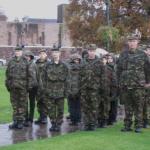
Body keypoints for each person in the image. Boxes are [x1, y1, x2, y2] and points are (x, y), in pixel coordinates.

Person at [117, 34, 150, 133]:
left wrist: (148, 82)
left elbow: (147, 70)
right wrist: (119, 81)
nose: (132, 43)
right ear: (128, 42)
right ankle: (127, 126)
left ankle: (138, 126)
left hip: (139, 85)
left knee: (139, 106)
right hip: (126, 84)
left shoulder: (143, 55)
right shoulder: (123, 54)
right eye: (130, 41)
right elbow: (118, 69)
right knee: (128, 106)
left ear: (137, 42)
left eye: (134, 41)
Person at [42, 46, 68, 132]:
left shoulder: (64, 66)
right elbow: (43, 78)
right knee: (51, 110)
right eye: (53, 53)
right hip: (50, 92)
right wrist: (45, 90)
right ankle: (53, 124)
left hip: (61, 92)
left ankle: (59, 124)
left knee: (60, 110)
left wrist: (66, 91)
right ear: (51, 54)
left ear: (59, 54)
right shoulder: (47, 65)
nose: (55, 54)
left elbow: (68, 79)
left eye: (56, 52)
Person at [80, 44, 105, 131]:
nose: (91, 52)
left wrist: (102, 88)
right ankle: (86, 124)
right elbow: (79, 75)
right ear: (87, 51)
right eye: (90, 51)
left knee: (94, 106)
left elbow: (103, 76)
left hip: (95, 88)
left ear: (95, 51)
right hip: (84, 88)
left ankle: (93, 123)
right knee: (85, 107)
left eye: (93, 51)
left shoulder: (100, 62)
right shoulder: (82, 61)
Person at [5, 46, 29, 129]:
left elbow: (30, 75)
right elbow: (7, 74)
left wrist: (28, 87)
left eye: (19, 51)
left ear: (21, 52)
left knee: (22, 105)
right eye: (16, 51)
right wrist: (8, 85)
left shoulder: (26, 61)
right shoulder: (11, 61)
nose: (17, 52)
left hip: (23, 88)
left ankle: (20, 122)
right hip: (13, 87)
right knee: (14, 105)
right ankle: (15, 121)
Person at [23, 50, 38, 126]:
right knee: (25, 103)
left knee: (32, 103)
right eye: (26, 56)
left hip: (33, 87)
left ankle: (30, 119)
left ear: (31, 57)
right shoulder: (22, 65)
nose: (27, 58)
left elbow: (37, 76)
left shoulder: (34, 65)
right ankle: (25, 118)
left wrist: (38, 86)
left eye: (29, 56)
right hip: (24, 86)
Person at [34, 49, 49, 124]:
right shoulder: (36, 64)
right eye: (40, 53)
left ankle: (44, 117)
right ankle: (41, 116)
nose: (42, 55)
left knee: (45, 102)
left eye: (43, 53)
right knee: (39, 102)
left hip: (46, 86)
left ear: (46, 55)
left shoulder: (49, 63)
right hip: (37, 87)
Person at [66, 53, 82, 125]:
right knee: (72, 106)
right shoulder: (68, 68)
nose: (77, 61)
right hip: (71, 90)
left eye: (78, 60)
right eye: (76, 59)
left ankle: (77, 119)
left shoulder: (82, 68)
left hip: (79, 90)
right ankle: (74, 120)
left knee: (77, 106)